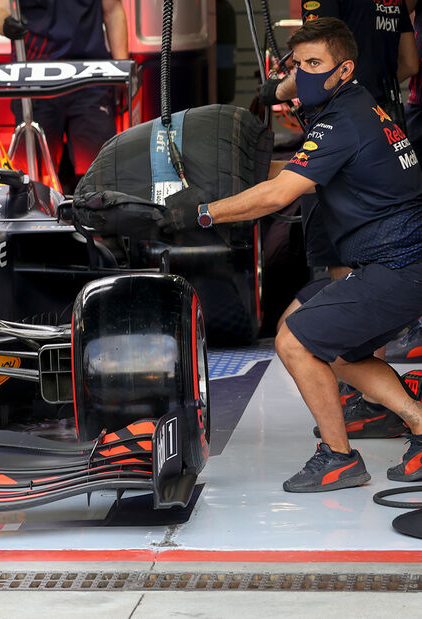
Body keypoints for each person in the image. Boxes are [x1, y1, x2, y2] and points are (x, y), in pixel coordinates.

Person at [161, 17, 422, 492]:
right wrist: (278, 87)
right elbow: (291, 107)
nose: (303, 75)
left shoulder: (342, 122)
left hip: (400, 267)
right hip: (395, 265)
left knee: (296, 344)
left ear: (344, 70)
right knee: (298, 326)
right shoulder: (362, 104)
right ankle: (417, 420)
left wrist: (201, 213)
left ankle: (339, 459)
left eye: (315, 64)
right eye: (297, 64)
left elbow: (277, 195)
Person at [264, 1, 419, 438]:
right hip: (385, 113)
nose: (304, 70)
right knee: (325, 321)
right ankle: (376, 402)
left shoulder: (326, 4)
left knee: (327, 323)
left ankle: (355, 418)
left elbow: (309, 67)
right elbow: (409, 62)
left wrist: (274, 91)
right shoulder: (393, 2)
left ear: (344, 68)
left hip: (343, 135)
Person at [0, 0, 128, 194]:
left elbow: (113, 10)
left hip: (90, 77)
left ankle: (98, 216)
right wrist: (6, 24)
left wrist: (122, 70)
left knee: (101, 174)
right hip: (35, 80)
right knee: (33, 180)